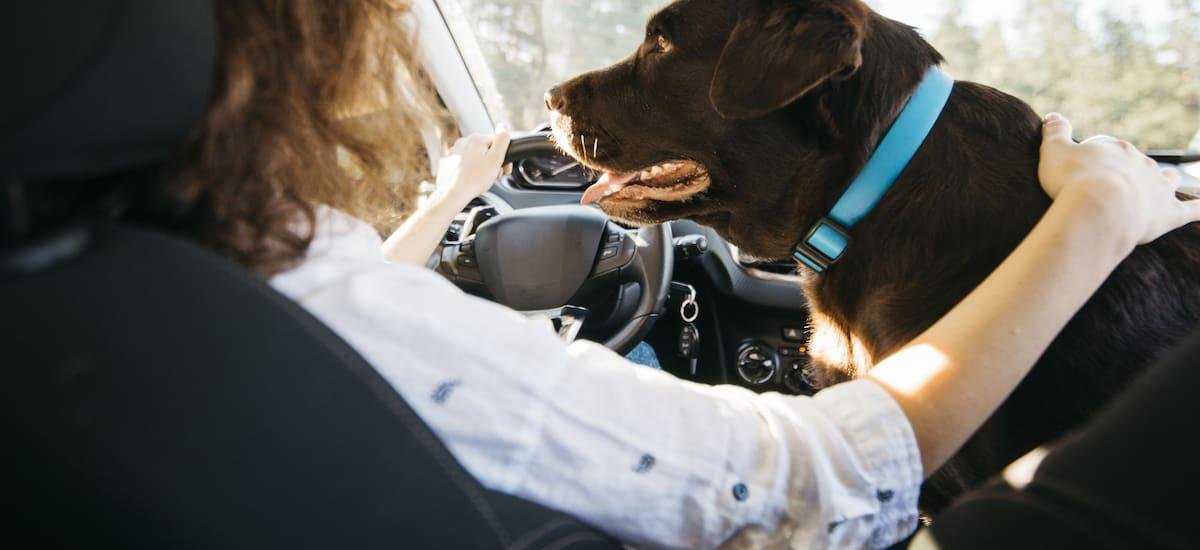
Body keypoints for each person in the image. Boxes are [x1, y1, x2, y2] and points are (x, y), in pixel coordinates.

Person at [83, 1, 1200, 548]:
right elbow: (821, 487)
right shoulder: (298, 300)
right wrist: (1098, 214)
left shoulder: (137, 301)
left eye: (663, 48)